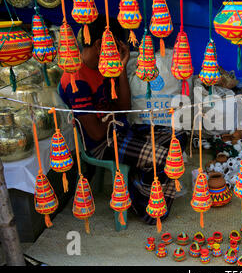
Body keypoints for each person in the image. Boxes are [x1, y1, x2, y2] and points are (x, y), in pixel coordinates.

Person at [58, 15, 187, 225]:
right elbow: (97, 133)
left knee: (178, 136)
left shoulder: (104, 67)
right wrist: (112, 117)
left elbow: (123, 109)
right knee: (165, 158)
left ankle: (137, 179)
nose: (116, 52)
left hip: (120, 131)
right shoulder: (76, 79)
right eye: (116, 47)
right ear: (101, 44)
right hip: (102, 144)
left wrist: (120, 69)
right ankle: (145, 206)